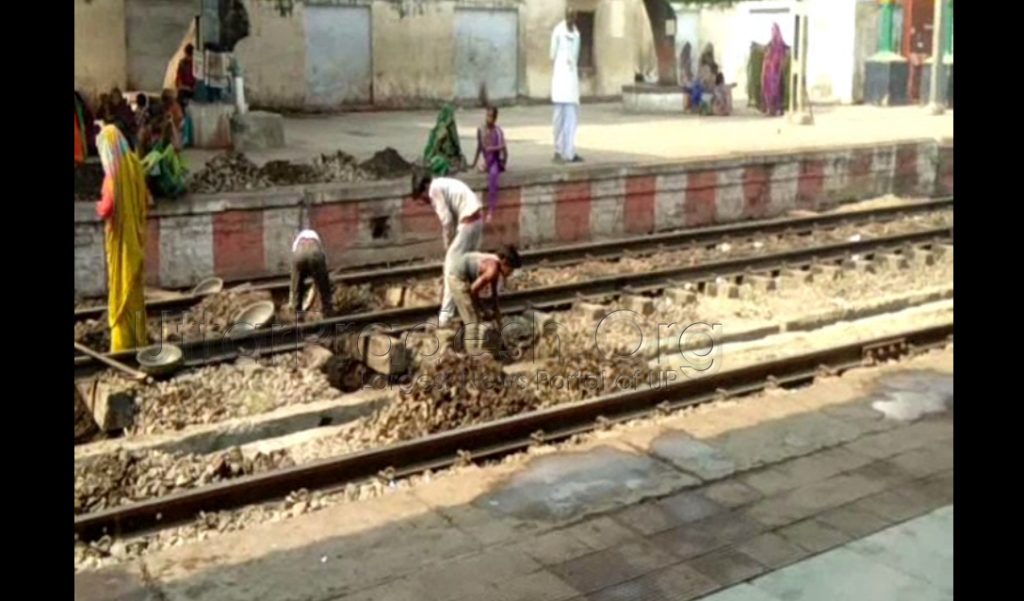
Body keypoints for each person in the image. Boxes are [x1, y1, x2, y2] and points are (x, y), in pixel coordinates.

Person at [95, 125, 150, 352]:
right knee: (135, 293)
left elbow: (106, 208)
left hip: (120, 245)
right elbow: (145, 200)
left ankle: (122, 344)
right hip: (135, 242)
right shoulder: (134, 166)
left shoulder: (112, 177)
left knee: (120, 292)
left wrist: (98, 206)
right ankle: (140, 339)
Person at [411, 172, 483, 327]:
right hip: (476, 220)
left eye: (422, 198)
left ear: (424, 188)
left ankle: (445, 318)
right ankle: (473, 309)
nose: (425, 201)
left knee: (451, 270)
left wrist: (448, 244)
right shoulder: (443, 183)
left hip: (468, 222)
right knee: (467, 268)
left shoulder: (434, 190)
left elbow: (447, 220)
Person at [448, 246, 522, 353]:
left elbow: (494, 296)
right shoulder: (492, 270)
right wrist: (481, 308)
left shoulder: (496, 269)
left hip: (466, 277)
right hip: (458, 279)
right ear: (505, 263)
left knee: (475, 315)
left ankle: (467, 346)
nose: (511, 274)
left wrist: (496, 315)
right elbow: (473, 290)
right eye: (511, 270)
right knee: (472, 320)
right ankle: (473, 355)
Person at [550, 8, 582, 163]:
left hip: (571, 83)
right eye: (569, 16)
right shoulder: (558, 32)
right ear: (565, 16)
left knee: (572, 119)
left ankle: (569, 152)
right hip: (560, 81)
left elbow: (575, 57)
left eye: (573, 17)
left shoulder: (577, 34)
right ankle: (558, 150)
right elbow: (552, 54)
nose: (571, 19)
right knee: (558, 120)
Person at [471, 106, 507, 223]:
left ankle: (491, 211)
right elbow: (479, 147)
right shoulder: (481, 130)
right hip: (485, 160)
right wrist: (473, 162)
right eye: (487, 115)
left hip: (495, 161)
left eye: (491, 116)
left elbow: (503, 149)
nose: (488, 118)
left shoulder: (498, 131)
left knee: (493, 177)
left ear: (495, 118)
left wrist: (503, 160)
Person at [288, 229, 335, 318]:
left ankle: (297, 314)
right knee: (324, 287)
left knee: (296, 286)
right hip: (315, 252)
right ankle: (328, 312)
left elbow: (297, 267)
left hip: (299, 254)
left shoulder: (297, 241)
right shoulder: (316, 238)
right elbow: (320, 263)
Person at [140, 115, 187, 199]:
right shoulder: (146, 146)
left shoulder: (163, 145)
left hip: (162, 179)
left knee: (170, 152)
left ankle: (172, 187)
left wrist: (171, 124)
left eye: (158, 135)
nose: (156, 138)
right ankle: (170, 188)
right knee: (156, 157)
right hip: (152, 181)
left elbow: (178, 147)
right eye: (154, 135)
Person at [423, 104, 464, 176]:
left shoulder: (436, 129)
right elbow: (456, 145)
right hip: (443, 158)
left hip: (433, 158)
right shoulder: (447, 128)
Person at [761, 23, 788, 116]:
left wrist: (780, 67)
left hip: (776, 71)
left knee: (775, 90)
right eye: (771, 30)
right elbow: (766, 52)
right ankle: (770, 109)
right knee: (768, 90)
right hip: (769, 71)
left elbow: (783, 56)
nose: (772, 32)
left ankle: (775, 109)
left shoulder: (780, 44)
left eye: (773, 30)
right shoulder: (771, 43)